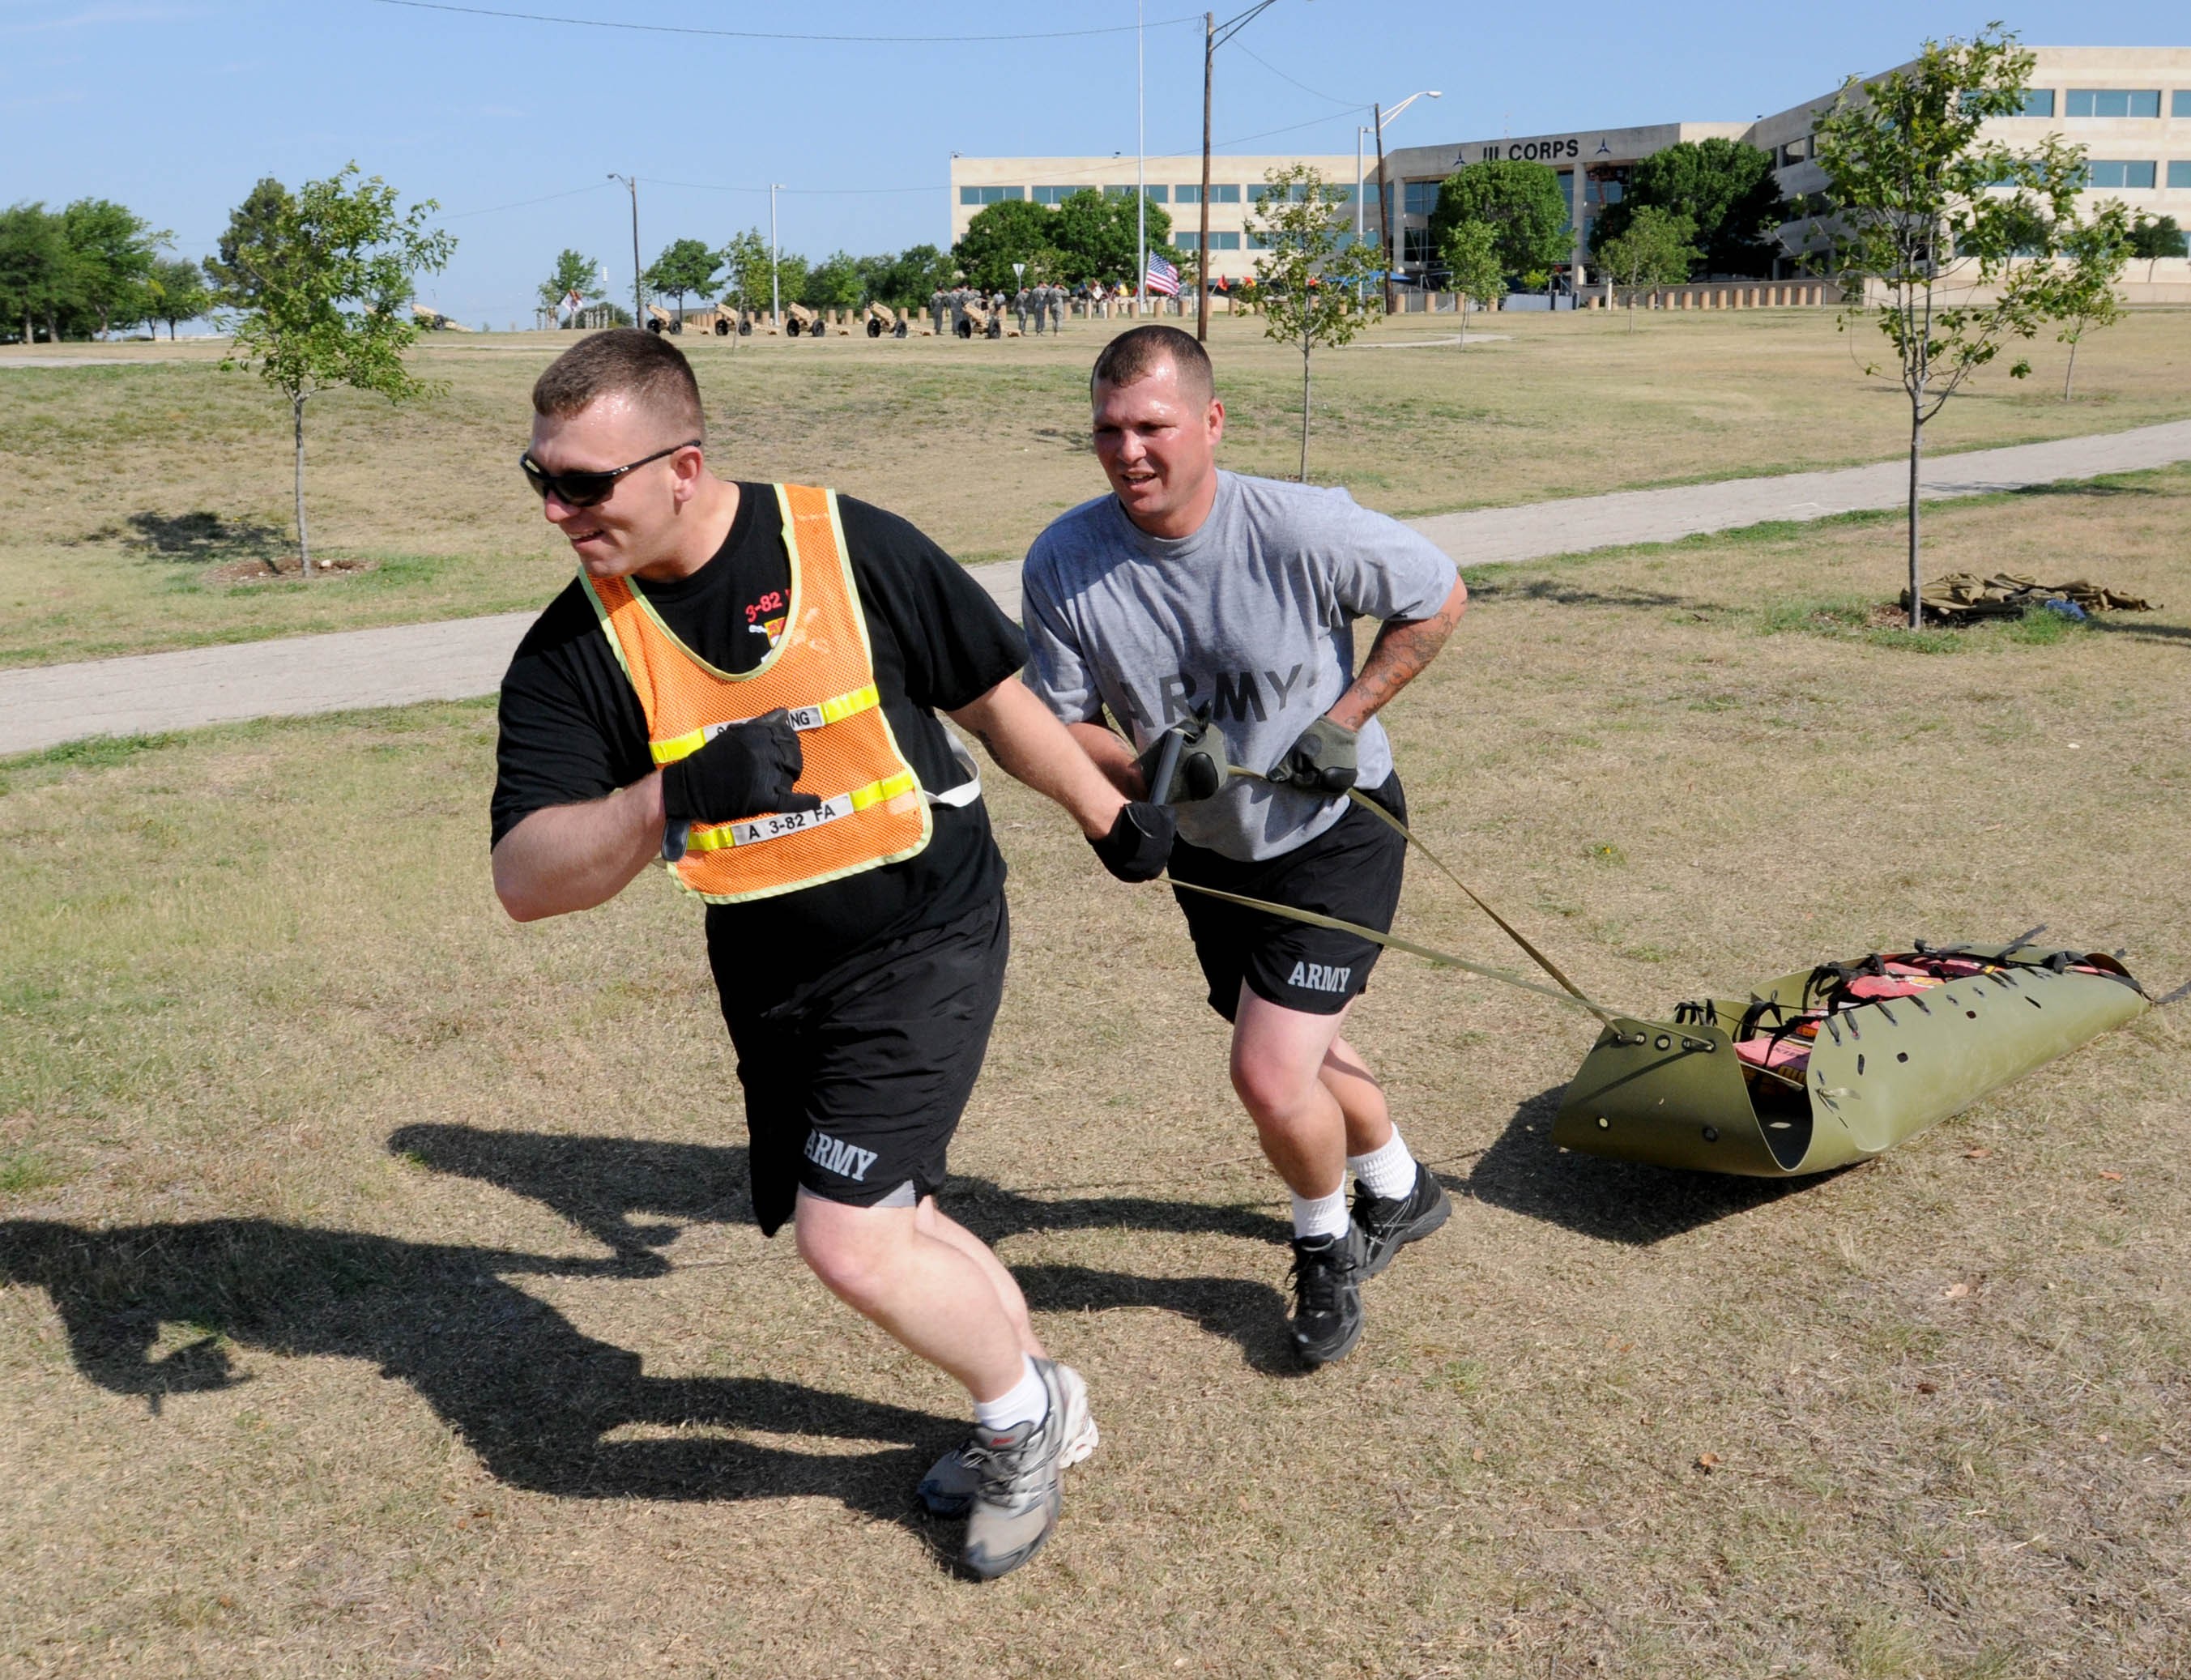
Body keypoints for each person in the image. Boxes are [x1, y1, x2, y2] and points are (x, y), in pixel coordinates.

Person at [491, 330, 1170, 1576]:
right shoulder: (574, 648)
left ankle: (1018, 1423)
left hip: (928, 931)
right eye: (538, 476)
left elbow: (993, 701)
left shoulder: (848, 544)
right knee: (891, 1211)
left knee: (847, 1234)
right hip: (770, 974)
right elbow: (526, 879)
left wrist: (1108, 815)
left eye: (583, 483)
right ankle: (1040, 1392)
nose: (555, 508)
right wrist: (669, 793)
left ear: (682, 465)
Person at [1019, 325, 1469, 1371]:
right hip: (1211, 853)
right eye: (1106, 430)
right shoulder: (1065, 562)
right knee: (1300, 1053)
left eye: (1151, 427)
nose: (1127, 451)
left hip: (1335, 829)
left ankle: (1322, 1245)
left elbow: (1438, 595)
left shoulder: (1299, 525)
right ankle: (1399, 1185)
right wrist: (1148, 763)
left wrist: (1345, 715)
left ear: (1210, 423)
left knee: (1269, 1073)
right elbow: (1051, 722)